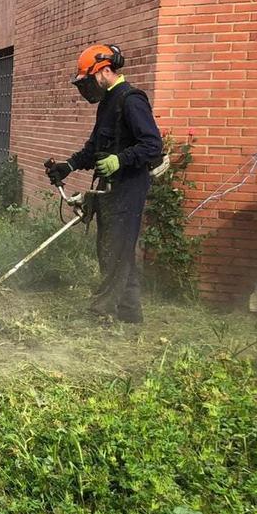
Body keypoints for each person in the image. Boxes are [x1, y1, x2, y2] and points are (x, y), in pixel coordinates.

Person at [45, 44, 163, 324]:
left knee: (114, 252)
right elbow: (95, 147)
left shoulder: (131, 100)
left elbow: (152, 145)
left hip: (128, 187)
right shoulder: (108, 102)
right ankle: (130, 313)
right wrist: (69, 166)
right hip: (109, 188)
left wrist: (120, 160)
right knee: (116, 250)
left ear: (105, 70)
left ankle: (101, 313)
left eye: (88, 81)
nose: (86, 88)